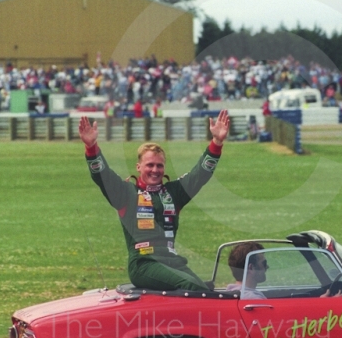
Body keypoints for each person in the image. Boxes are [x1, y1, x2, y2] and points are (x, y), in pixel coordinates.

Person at [78, 110, 230, 291]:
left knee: (206, 291)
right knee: (191, 287)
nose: (155, 170)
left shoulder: (174, 193)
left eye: (159, 165)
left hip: (173, 262)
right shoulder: (126, 193)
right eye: (150, 165)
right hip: (144, 264)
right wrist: (91, 146)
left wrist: (217, 142)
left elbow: (200, 174)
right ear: (139, 166)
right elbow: (102, 175)